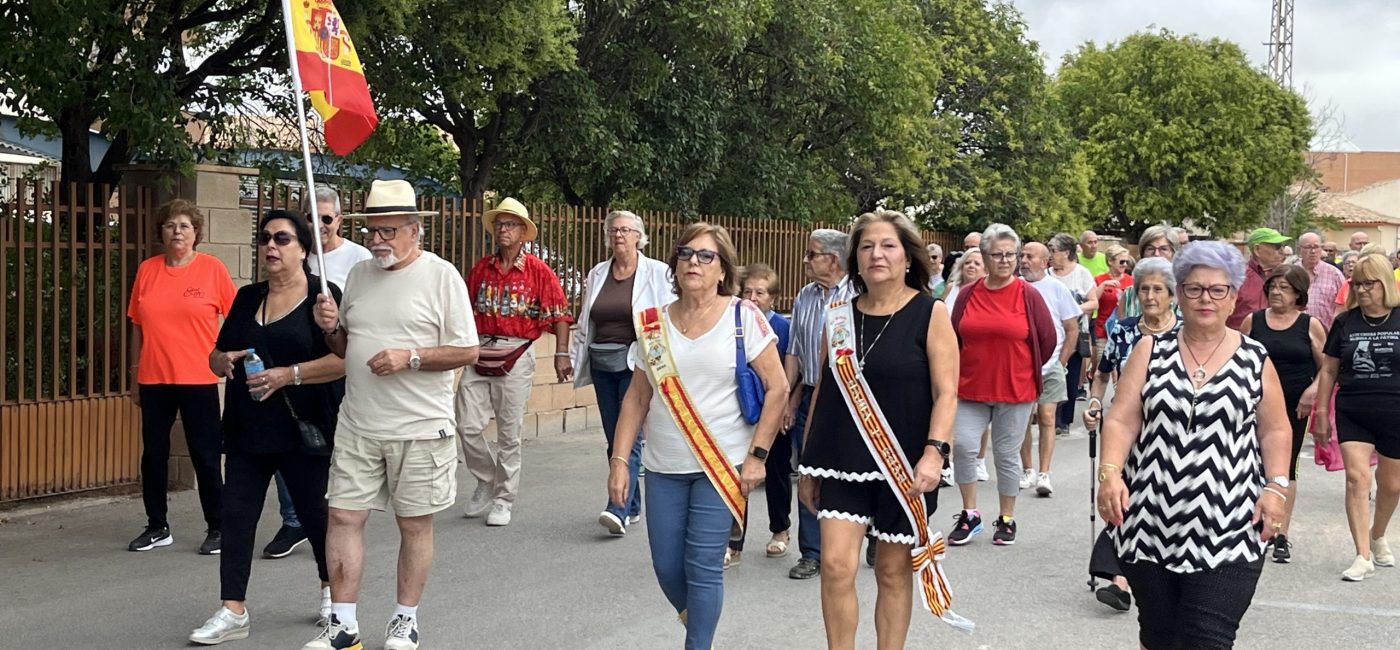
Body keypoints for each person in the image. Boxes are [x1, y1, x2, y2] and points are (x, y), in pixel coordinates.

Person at [306, 179, 480, 650]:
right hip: (359, 422)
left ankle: (405, 619)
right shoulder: (359, 276)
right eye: (372, 231)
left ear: (414, 231)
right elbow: (344, 347)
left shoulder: (442, 276)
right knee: (342, 516)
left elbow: (468, 350)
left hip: (421, 428)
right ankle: (342, 623)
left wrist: (413, 357)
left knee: (414, 524)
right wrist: (330, 329)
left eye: (388, 232)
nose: (378, 241)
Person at [1098, 240, 1291, 648]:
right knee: (1160, 636)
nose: (1206, 298)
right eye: (1194, 288)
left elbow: (1275, 429)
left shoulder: (1255, 358)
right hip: (1149, 523)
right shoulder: (1151, 350)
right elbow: (1121, 417)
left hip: (1229, 524)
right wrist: (1110, 474)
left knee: (1208, 639)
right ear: (1179, 293)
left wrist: (1276, 487)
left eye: (1217, 289)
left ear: (1234, 296)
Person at [606, 222, 786, 650]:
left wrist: (758, 454)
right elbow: (636, 397)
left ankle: (698, 644)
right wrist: (618, 460)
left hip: (720, 464)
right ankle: (700, 625)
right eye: (686, 253)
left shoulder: (745, 317)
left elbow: (778, 387)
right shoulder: (652, 324)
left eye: (706, 256)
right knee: (667, 566)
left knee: (703, 566)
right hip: (663, 465)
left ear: (723, 270)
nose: (694, 262)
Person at [797, 209, 961, 648]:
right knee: (834, 565)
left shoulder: (932, 312)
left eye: (888, 245)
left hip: (905, 462)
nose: (876, 255)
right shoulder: (837, 318)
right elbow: (824, 392)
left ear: (908, 257)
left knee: (891, 569)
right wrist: (809, 466)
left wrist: (935, 452)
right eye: (867, 246)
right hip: (841, 459)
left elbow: (947, 393)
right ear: (855, 260)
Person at [189, 211, 347, 645]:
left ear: (303, 249)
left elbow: (341, 362)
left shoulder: (323, 297)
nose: (270, 247)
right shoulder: (246, 296)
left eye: (282, 238)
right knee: (237, 517)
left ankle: (332, 595)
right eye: (264, 239)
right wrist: (220, 362)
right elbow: (217, 353)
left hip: (302, 428)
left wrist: (286, 375)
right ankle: (232, 610)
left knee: (316, 517)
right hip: (247, 426)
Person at [264, 187, 374, 561]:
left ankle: (334, 516)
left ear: (339, 220)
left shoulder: (359, 259)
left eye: (327, 218)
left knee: (334, 444)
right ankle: (294, 519)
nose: (319, 225)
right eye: (312, 217)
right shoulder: (292, 252)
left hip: (341, 363)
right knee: (288, 438)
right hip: (296, 367)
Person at [126, 198, 235, 555]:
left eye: (184, 226)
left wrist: (227, 356)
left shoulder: (212, 269)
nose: (177, 232)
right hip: (154, 376)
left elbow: (235, 321)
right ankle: (157, 526)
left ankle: (218, 527)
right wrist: (134, 375)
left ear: (196, 233)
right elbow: (137, 327)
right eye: (171, 225)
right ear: (161, 231)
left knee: (205, 455)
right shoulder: (147, 270)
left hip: (198, 377)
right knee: (153, 454)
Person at [457, 197, 574, 527]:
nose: (502, 230)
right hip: (479, 349)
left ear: (524, 232)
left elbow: (560, 314)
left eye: (510, 225)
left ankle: (503, 499)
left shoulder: (538, 271)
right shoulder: (481, 268)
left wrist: (562, 354)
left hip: (518, 350)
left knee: (509, 432)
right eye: (499, 224)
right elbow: (464, 311)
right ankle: (487, 479)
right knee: (466, 424)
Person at [947, 224, 1056, 546]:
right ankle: (970, 514)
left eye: (1012, 255)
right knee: (965, 447)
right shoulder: (968, 294)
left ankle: (1007, 518)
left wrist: (1024, 369)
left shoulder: (1028, 295)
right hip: (970, 387)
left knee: (1006, 455)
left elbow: (1046, 340)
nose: (1006, 260)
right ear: (984, 257)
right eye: (998, 255)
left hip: (1015, 389)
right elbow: (953, 336)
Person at [1083, 257, 1178, 612]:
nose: (1151, 296)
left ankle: (1159, 571)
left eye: (1158, 289)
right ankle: (1119, 581)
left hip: (1168, 429)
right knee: (1121, 496)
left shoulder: (1185, 331)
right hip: (1126, 428)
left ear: (1172, 295)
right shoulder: (1123, 330)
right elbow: (1102, 375)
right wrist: (1094, 402)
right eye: (1144, 289)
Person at [570, 210, 673, 537]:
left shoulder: (657, 272)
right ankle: (632, 503)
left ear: (639, 236)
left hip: (637, 363)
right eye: (614, 230)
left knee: (629, 435)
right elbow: (588, 319)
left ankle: (617, 507)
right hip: (602, 362)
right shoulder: (597, 273)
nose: (619, 236)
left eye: (626, 230)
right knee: (613, 434)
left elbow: (668, 316)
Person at [1314, 253, 1400, 581]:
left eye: (1370, 283)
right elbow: (1330, 369)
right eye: (1357, 283)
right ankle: (1362, 554)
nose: (1362, 290)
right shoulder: (1345, 322)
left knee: (1392, 485)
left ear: (1385, 284)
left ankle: (1378, 534)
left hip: (1395, 411)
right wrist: (1322, 414)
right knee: (1356, 478)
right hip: (1354, 410)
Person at [1238, 264, 1325, 564]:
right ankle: (1248, 522)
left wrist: (1312, 392)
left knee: (1285, 469)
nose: (1276, 291)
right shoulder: (1254, 321)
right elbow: (1237, 358)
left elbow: (1328, 365)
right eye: (1273, 286)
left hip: (1293, 406)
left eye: (1284, 287)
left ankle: (1280, 533)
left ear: (1298, 293)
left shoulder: (1309, 325)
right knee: (1250, 462)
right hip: (1254, 404)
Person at [781, 228, 853, 579]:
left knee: (852, 468)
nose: (806, 260)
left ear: (834, 259)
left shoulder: (859, 292)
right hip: (812, 393)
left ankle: (867, 532)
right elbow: (794, 350)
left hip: (854, 397)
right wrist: (786, 398)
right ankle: (812, 552)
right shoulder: (805, 296)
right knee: (809, 467)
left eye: (812, 254)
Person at [727, 263, 792, 567]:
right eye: (747, 291)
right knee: (736, 477)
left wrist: (784, 409)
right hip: (739, 412)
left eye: (760, 293)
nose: (752, 297)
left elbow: (792, 371)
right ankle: (733, 542)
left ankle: (780, 530)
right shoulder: (732, 322)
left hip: (773, 412)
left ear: (773, 298)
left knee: (776, 474)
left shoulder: (781, 327)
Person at [1018, 242, 1082, 497]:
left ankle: (1044, 473)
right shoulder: (1014, 287)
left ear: (1045, 262)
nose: (1023, 260)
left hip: (1051, 364)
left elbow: (1072, 328)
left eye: (1029, 257)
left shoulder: (1057, 289)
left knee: (1046, 418)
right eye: (1022, 256)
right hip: (1020, 367)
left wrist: (1062, 362)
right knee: (1022, 420)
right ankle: (1027, 469)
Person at [1047, 233, 1099, 431]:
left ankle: (1063, 420)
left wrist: (1072, 309)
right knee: (1050, 373)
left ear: (1066, 253)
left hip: (1074, 333)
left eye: (1054, 251)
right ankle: (1048, 415)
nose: (1050, 255)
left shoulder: (1081, 273)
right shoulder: (1048, 274)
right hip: (1051, 334)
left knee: (1070, 376)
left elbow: (1094, 302)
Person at [1228, 228, 1291, 329]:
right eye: (1277, 246)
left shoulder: (1283, 276)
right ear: (1257, 250)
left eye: (1282, 246)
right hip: (1241, 339)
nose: (1282, 251)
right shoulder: (1238, 277)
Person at [1089, 244, 1134, 372]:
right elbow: (1092, 301)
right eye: (1121, 261)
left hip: (1125, 330)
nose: (1125, 265)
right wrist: (1103, 285)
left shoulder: (1131, 280)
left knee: (1123, 368)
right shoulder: (1099, 279)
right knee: (1101, 366)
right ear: (1110, 261)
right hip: (1103, 330)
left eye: (1127, 261)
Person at [1296, 232, 1346, 331]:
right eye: (1308, 247)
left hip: (1328, 333)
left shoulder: (1334, 274)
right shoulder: (1291, 272)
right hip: (1296, 333)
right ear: (1299, 249)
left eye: (1316, 247)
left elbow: (1344, 304)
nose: (1313, 251)